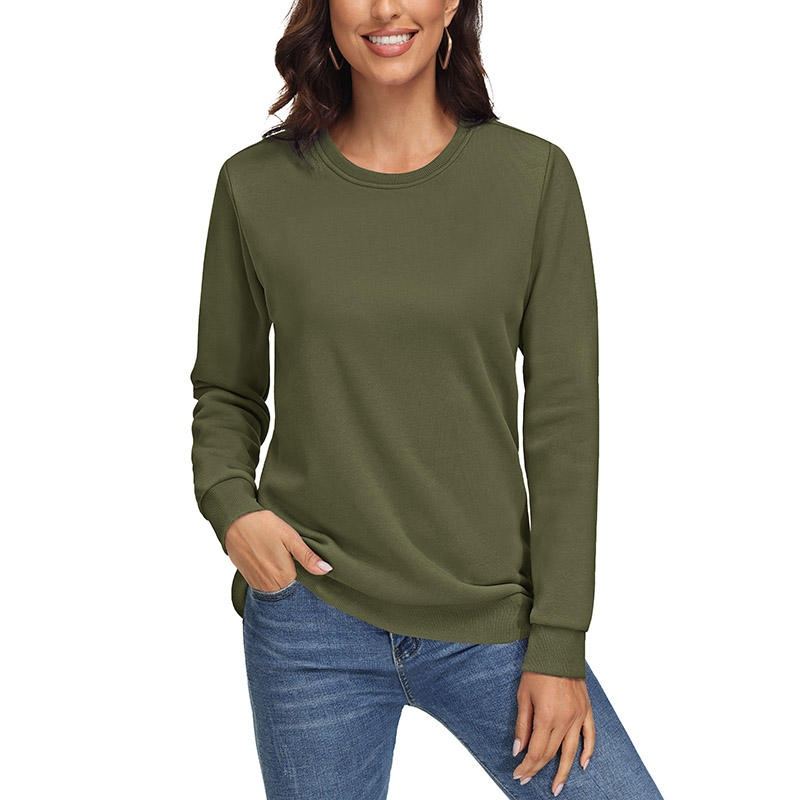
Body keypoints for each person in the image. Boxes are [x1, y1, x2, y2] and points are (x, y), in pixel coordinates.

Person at [189, 1, 663, 797]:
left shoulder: (531, 178)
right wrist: (232, 507)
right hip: (312, 622)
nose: (386, 8)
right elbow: (226, 391)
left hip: (493, 624)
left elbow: (564, 425)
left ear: (451, 6)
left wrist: (559, 642)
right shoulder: (255, 185)